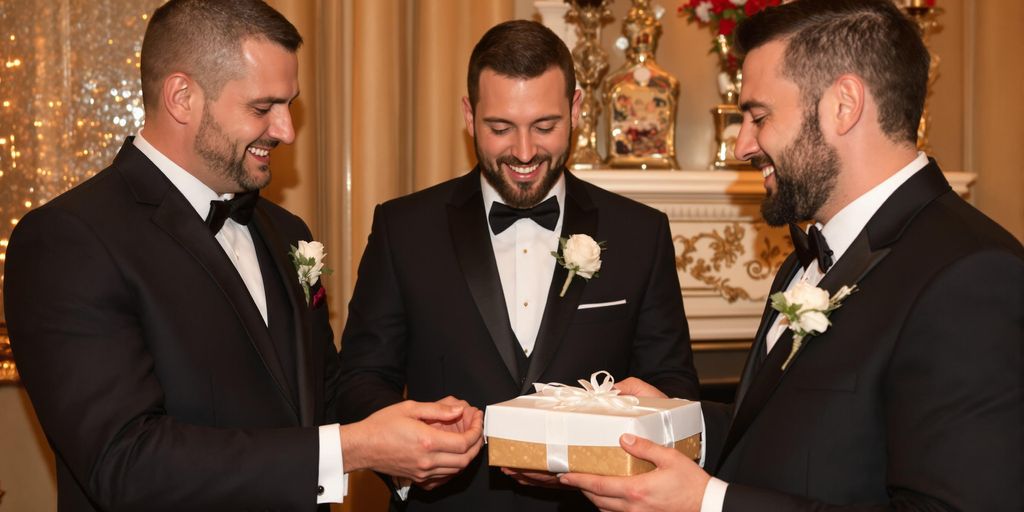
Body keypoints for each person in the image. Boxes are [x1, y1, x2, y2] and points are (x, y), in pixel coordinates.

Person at [3, 1, 482, 510]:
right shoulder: (69, 239)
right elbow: (126, 461)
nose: (286, 131)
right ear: (183, 97)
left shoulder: (286, 230)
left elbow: (324, 391)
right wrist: (351, 448)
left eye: (288, 106)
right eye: (262, 108)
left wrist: (411, 436)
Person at [559, 0, 1024, 510]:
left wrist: (709, 503)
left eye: (758, 116)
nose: (742, 145)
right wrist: (672, 420)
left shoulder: (972, 276)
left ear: (844, 105)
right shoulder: (807, 260)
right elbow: (795, 433)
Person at [336, 20, 699, 511]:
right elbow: (361, 378)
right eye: (500, 128)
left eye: (545, 127)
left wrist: (602, 458)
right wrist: (407, 460)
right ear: (469, 115)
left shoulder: (641, 233)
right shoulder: (403, 229)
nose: (525, 152)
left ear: (575, 110)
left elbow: (673, 389)